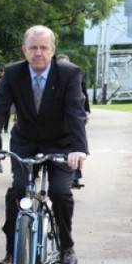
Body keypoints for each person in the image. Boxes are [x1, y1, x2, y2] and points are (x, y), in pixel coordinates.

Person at [0, 25, 88, 264]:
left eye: (43, 48)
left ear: (52, 50)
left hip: (59, 143)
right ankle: (11, 252)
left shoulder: (69, 74)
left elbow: (75, 111)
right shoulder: (14, 73)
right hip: (26, 142)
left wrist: (78, 149)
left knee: (60, 192)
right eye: (33, 48)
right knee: (17, 191)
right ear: (24, 50)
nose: (38, 53)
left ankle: (66, 247)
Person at [56, 53, 90, 189]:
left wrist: (86, 112)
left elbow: (83, 96)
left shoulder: (74, 76)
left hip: (72, 117)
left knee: (74, 146)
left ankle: (75, 176)